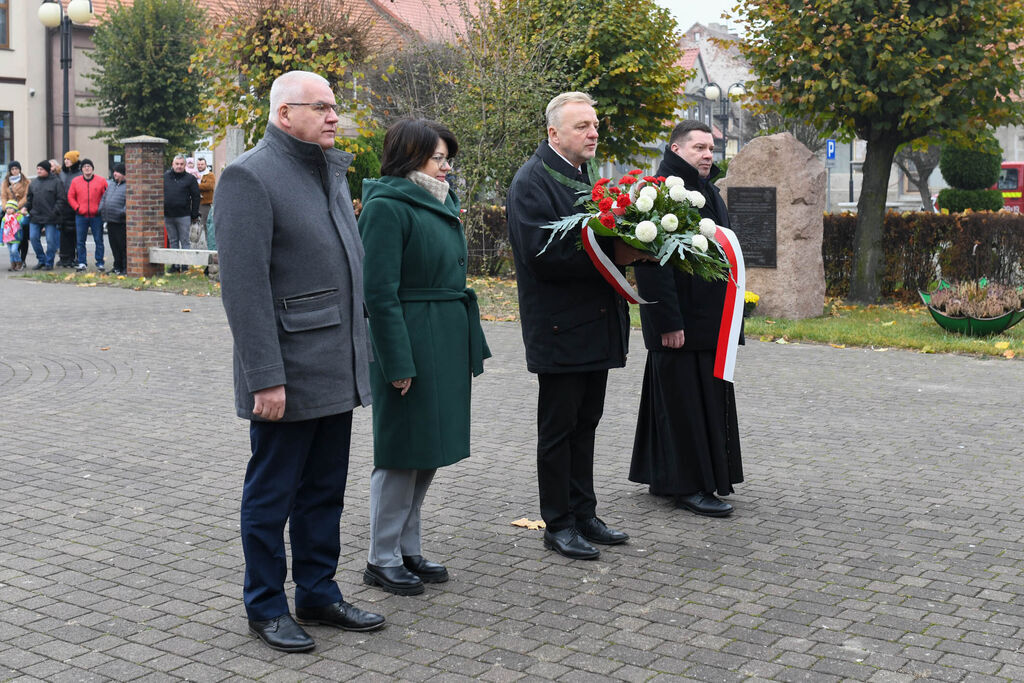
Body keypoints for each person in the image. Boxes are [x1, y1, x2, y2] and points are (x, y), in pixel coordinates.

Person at [216, 69, 384, 653]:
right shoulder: (249, 176)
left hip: (334, 363)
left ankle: (317, 591)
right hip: (285, 370)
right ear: (285, 114)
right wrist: (265, 376)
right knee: (272, 496)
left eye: (335, 106)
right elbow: (243, 287)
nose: (335, 116)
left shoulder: (327, 171)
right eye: (323, 107)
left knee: (323, 490)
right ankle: (265, 605)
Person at [358, 119, 490, 595]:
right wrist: (397, 362)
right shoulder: (386, 207)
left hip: (445, 338)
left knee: (429, 449)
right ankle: (381, 556)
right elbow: (377, 292)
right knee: (400, 453)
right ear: (411, 157)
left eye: (447, 157)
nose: (447, 166)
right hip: (411, 341)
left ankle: (407, 547)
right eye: (439, 158)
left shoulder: (436, 198)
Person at [507, 92, 637, 561]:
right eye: (582, 125)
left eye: (595, 124)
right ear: (553, 133)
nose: (593, 132)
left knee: (587, 424)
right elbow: (543, 254)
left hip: (595, 325)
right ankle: (558, 522)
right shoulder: (532, 181)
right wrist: (616, 254)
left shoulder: (584, 178)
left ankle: (584, 513)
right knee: (559, 430)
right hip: (561, 329)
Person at [629, 120, 744, 517]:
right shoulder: (659, 191)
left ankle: (666, 475)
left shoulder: (705, 188)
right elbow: (650, 262)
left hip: (709, 320)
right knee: (682, 405)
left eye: (711, 148)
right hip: (681, 323)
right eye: (698, 147)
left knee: (693, 401)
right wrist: (667, 321)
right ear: (676, 150)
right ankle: (688, 486)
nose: (708, 154)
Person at [68, 158, 108, 272]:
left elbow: (106, 196)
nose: (87, 168)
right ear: (82, 169)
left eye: (89, 166)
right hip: (81, 215)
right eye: (85, 166)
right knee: (80, 241)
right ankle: (82, 262)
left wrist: (100, 209)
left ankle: (100, 262)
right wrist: (77, 207)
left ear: (93, 168)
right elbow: (71, 196)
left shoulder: (101, 181)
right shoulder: (76, 181)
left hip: (96, 216)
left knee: (99, 240)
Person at [163, 154, 200, 273]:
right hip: (168, 214)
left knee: (184, 241)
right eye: (177, 164)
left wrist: (194, 214)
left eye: (181, 164)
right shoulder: (165, 177)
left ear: (185, 165)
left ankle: (185, 265)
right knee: (173, 240)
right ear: (172, 164)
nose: (179, 166)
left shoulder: (190, 179)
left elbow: (196, 197)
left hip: (184, 215)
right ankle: (175, 265)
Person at [25, 161, 64, 270]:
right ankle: (41, 259)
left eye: (41, 169)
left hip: (51, 217)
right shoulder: (33, 183)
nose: (38, 171)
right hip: (35, 216)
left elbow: (61, 199)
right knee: (33, 238)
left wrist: (54, 212)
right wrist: (25, 207)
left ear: (47, 170)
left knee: (51, 241)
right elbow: (29, 199)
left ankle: (49, 262)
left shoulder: (56, 182)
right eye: (38, 169)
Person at [99, 163, 128, 275]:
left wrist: (122, 212)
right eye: (114, 171)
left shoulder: (127, 186)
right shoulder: (111, 185)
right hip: (110, 220)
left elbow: (129, 202)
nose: (115, 173)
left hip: (120, 221)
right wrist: (101, 208)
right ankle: (117, 266)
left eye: (118, 172)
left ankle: (125, 267)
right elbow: (104, 198)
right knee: (114, 246)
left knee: (122, 246)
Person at [2, 161, 30, 265]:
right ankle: (15, 260)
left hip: (21, 211)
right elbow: (3, 196)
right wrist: (6, 208)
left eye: (16, 169)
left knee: (23, 237)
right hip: (9, 212)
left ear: (20, 169)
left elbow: (27, 196)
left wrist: (16, 208)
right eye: (12, 169)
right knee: (12, 237)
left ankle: (22, 259)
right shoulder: (6, 182)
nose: (14, 171)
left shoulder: (26, 181)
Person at [57, 151, 82, 268]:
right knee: (64, 234)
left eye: (69, 159)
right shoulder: (62, 173)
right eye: (65, 159)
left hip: (75, 207)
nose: (66, 161)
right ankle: (65, 257)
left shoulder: (79, 174)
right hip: (63, 208)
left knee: (76, 234)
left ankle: (76, 258)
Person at [195, 157, 215, 248]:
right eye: (198, 164)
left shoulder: (209, 175)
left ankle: (209, 245)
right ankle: (196, 245)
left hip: (205, 203)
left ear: (205, 165)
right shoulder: (193, 174)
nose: (200, 166)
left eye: (202, 164)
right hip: (195, 203)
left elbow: (209, 186)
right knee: (195, 226)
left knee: (206, 225)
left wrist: (196, 185)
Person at [2, 200, 24, 271]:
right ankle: (13, 265)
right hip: (7, 238)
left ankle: (19, 263)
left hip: (16, 237)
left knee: (14, 250)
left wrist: (25, 215)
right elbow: (2, 229)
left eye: (11, 208)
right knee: (11, 252)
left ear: (15, 209)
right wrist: (1, 239)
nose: (8, 210)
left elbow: (24, 222)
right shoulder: (4, 218)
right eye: (7, 208)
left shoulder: (18, 216)